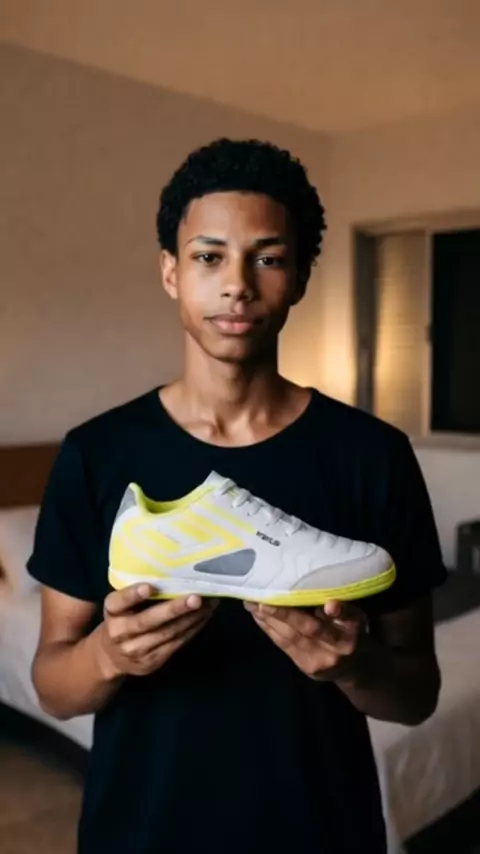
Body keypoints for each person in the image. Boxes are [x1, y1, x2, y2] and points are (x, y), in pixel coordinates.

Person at [28, 138, 446, 854]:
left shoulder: (373, 454)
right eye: (209, 257)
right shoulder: (97, 454)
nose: (238, 285)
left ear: (301, 276)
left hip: (321, 831)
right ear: (171, 271)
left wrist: (355, 665)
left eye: (269, 258)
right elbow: (52, 683)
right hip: (142, 832)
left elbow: (417, 694)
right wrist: (109, 656)